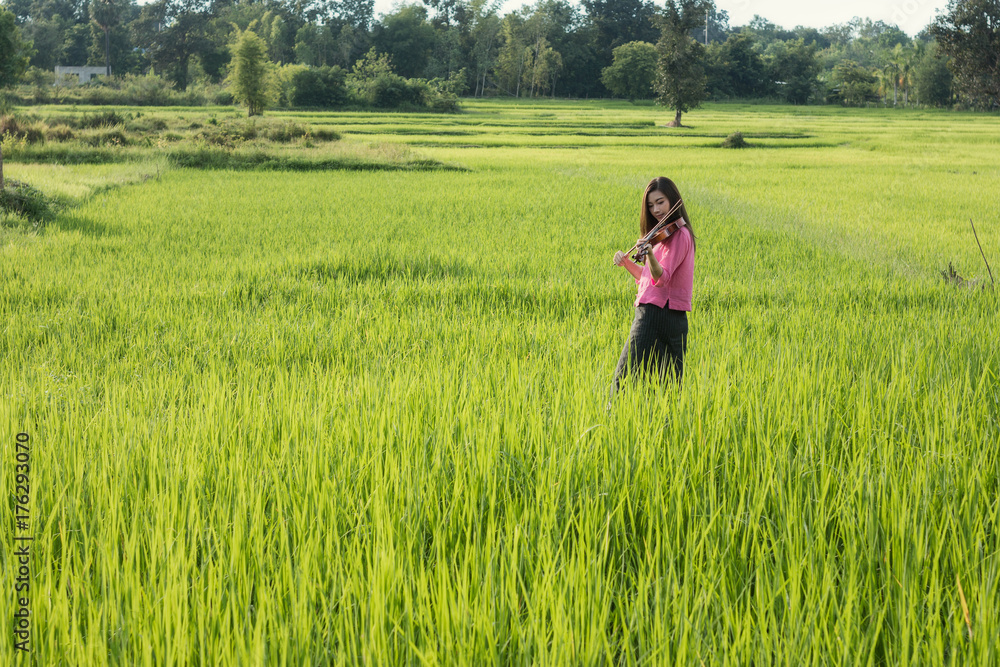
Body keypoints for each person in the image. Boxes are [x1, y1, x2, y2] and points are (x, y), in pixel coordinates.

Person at [610, 176, 695, 398]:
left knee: (624, 378)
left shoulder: (679, 235)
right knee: (668, 387)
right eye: (650, 205)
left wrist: (649, 255)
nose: (656, 209)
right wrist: (626, 261)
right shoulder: (660, 238)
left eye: (660, 202)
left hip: (653, 314)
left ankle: (610, 421)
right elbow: (648, 278)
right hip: (674, 317)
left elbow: (662, 278)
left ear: (673, 200)